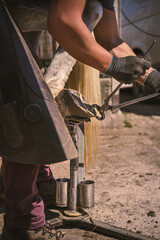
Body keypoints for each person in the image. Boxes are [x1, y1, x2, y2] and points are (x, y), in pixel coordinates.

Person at [1, 0, 160, 239]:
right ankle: (24, 223)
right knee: (26, 110)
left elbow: (109, 39)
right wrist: (113, 66)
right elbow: (64, 22)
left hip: (20, 15)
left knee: (92, 8)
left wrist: (153, 78)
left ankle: (39, 183)